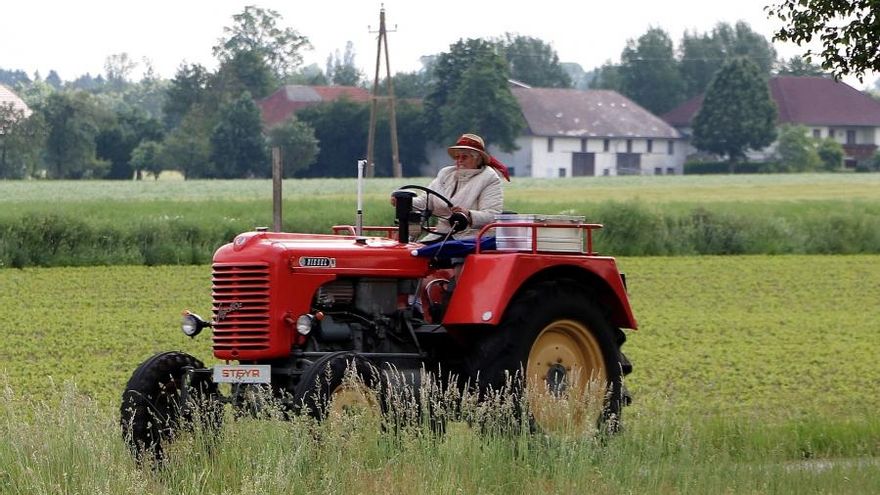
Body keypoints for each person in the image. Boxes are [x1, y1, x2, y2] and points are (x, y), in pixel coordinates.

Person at [400, 133, 510, 243]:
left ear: (478, 159)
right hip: (441, 233)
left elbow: (492, 215)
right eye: (457, 157)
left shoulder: (489, 178)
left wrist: (468, 214)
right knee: (414, 250)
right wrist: (403, 201)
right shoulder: (445, 174)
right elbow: (426, 201)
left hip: (470, 237)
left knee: (424, 253)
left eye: (464, 157)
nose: (459, 160)